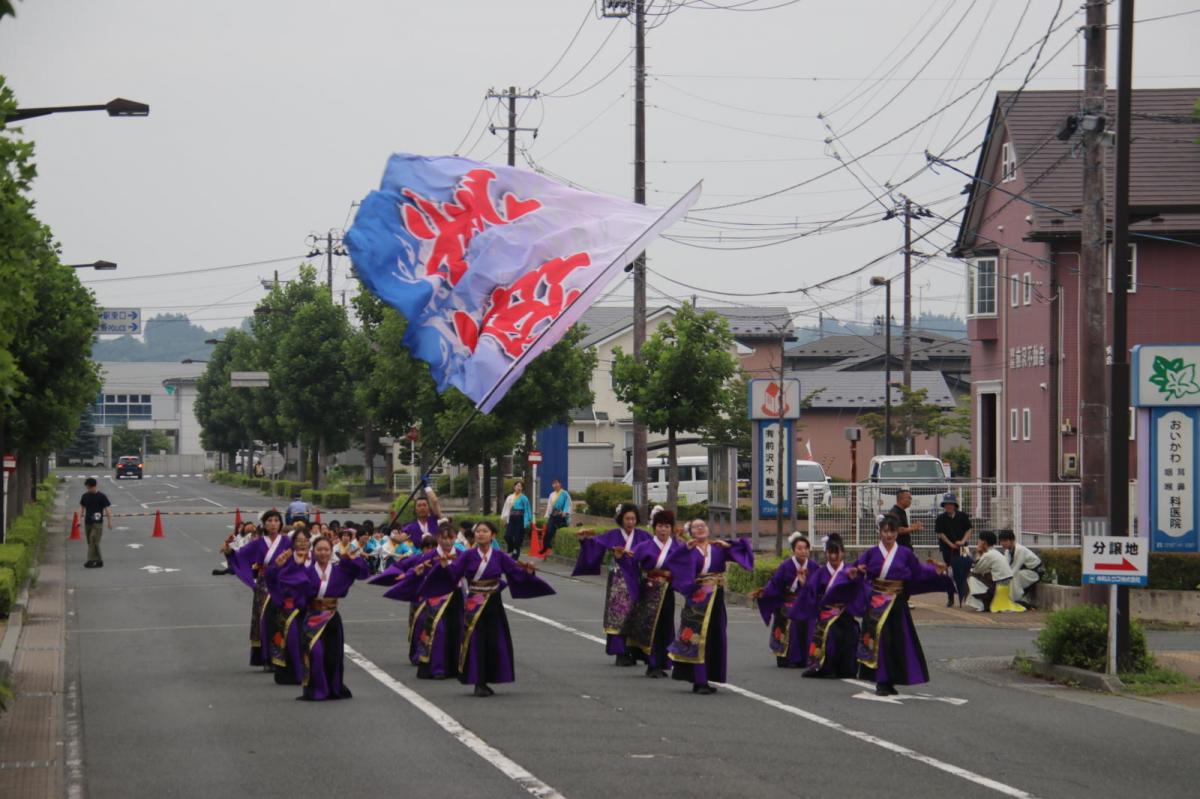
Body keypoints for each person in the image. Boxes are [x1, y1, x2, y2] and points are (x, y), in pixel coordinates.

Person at [418, 521, 555, 696]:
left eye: (485, 531)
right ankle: (478, 681)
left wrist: (528, 572)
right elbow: (453, 575)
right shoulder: (467, 556)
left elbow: (515, 573)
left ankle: (489, 678)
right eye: (478, 531)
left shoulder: (499, 556)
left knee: (494, 641)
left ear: (493, 535)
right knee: (475, 642)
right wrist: (445, 566)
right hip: (474, 603)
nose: (480, 534)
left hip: (493, 604)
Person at [850, 513, 953, 696]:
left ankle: (892, 680)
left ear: (897, 533)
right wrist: (856, 571)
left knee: (897, 642)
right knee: (880, 641)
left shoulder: (905, 553)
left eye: (892, 532)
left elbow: (918, 571)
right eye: (885, 531)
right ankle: (881, 681)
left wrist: (935, 570)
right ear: (879, 532)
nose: (888, 536)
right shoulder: (871, 553)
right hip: (876, 604)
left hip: (896, 604)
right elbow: (854, 570)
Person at [274, 535, 369, 700]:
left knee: (333, 655)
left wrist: (350, 559)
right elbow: (289, 582)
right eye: (319, 549)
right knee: (315, 654)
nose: (323, 553)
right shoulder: (307, 571)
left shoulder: (339, 570)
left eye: (326, 550)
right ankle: (316, 689)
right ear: (314, 551)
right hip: (312, 618)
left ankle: (333, 688)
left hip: (332, 617)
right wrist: (292, 565)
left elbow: (361, 573)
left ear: (331, 552)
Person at [667, 519, 754, 694]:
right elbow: (672, 563)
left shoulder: (717, 548)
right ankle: (699, 680)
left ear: (707, 529)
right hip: (697, 598)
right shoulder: (689, 550)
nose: (700, 529)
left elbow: (745, 552)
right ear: (690, 532)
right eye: (695, 527)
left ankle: (706, 677)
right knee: (697, 638)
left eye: (702, 526)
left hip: (716, 597)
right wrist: (685, 549)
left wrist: (728, 546)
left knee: (714, 635)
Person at [572, 503, 653, 666]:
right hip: (619, 579)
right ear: (621, 520)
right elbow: (596, 545)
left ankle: (634, 651)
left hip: (637, 579)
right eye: (627, 518)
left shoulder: (643, 536)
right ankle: (620, 652)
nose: (630, 522)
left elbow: (655, 552)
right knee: (619, 614)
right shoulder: (614, 535)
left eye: (633, 519)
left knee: (637, 615)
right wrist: (584, 540)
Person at [385, 522, 464, 679]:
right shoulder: (429, 555)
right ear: (438, 538)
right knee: (438, 631)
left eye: (450, 538)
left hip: (455, 598)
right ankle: (437, 668)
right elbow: (415, 570)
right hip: (435, 598)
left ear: (455, 538)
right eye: (443, 538)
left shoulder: (462, 555)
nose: (447, 541)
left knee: (457, 630)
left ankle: (456, 668)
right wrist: (412, 574)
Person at [224, 509, 291, 669]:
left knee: (282, 619)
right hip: (264, 584)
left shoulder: (288, 541)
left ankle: (282, 655)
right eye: (269, 521)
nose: (273, 524)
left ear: (280, 523)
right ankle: (267, 657)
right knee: (265, 618)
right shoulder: (259, 542)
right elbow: (240, 555)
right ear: (264, 524)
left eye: (276, 520)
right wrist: (229, 550)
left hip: (283, 584)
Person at [790, 533, 864, 679]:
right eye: (830, 553)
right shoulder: (820, 573)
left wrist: (856, 580)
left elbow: (860, 590)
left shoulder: (850, 570)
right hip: (826, 615)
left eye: (836, 553)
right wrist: (804, 583)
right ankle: (825, 667)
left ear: (842, 553)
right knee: (831, 634)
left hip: (845, 613)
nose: (833, 556)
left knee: (852, 632)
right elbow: (811, 592)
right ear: (826, 553)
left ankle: (847, 669)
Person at [626, 508, 681, 678]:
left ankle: (664, 662)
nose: (663, 529)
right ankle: (652, 664)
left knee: (666, 625)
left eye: (666, 526)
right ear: (654, 528)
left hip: (668, 590)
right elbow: (630, 563)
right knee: (651, 627)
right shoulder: (645, 546)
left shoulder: (679, 546)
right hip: (649, 589)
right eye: (660, 526)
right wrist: (621, 556)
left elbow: (689, 564)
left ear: (671, 528)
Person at [751, 532, 819, 668]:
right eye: (799, 548)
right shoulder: (786, 566)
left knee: (811, 618)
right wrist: (764, 592)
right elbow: (775, 583)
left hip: (806, 601)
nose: (803, 551)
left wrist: (805, 584)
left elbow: (818, 587)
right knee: (790, 614)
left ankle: (808, 657)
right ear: (793, 550)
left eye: (805, 548)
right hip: (788, 601)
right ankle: (788, 658)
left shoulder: (813, 566)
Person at [265, 527, 314, 685]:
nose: (302, 544)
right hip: (290, 607)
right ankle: (294, 675)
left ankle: (312, 673)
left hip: (311, 608)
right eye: (299, 541)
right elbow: (274, 579)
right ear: (293, 543)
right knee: (291, 640)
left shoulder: (314, 559)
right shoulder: (286, 558)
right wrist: (277, 567)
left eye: (305, 541)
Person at [965, 531, 1026, 613]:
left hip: (998, 587)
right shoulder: (995, 552)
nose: (977, 543)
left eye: (979, 541)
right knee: (977, 575)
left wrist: (979, 554)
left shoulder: (988, 555)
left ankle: (984, 603)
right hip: (1005, 586)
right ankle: (985, 602)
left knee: (970, 576)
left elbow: (977, 569)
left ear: (984, 542)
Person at [934, 493, 973, 607]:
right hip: (947, 548)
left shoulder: (963, 516)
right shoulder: (940, 518)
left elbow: (969, 530)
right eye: (946, 504)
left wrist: (962, 541)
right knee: (949, 572)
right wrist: (951, 544)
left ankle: (966, 596)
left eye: (951, 504)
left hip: (963, 547)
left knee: (965, 570)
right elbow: (941, 534)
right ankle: (950, 598)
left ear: (955, 505)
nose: (949, 506)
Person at [999, 530, 1043, 608]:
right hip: (1025, 572)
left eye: (1005, 541)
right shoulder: (1007, 551)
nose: (1002, 543)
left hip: (1035, 573)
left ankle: (1016, 600)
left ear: (1012, 540)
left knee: (1015, 576)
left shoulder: (1020, 550)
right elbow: (1006, 566)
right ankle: (1019, 600)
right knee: (1011, 577)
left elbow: (1015, 568)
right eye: (1001, 541)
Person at [78, 477, 113, 569]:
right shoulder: (85, 496)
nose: (89, 489)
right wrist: (79, 520)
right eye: (87, 488)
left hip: (98, 523)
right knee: (90, 542)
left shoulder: (102, 496)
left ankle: (90, 560)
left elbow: (107, 510)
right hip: (88, 522)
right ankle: (99, 561)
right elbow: (81, 509)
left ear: (95, 486)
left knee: (93, 539)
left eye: (90, 488)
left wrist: (109, 522)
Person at [500, 480, 532, 558]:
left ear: (522, 488)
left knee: (518, 539)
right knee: (507, 536)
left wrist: (527, 521)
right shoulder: (510, 497)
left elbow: (527, 510)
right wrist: (504, 519)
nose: (519, 487)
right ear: (514, 487)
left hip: (520, 519)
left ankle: (515, 555)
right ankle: (512, 548)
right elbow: (506, 508)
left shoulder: (524, 498)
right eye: (517, 486)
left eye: (520, 486)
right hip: (511, 519)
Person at [542, 478, 571, 555]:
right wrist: (547, 515)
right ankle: (546, 547)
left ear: (560, 484)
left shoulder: (565, 494)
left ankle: (561, 550)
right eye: (553, 484)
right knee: (549, 532)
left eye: (556, 483)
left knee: (561, 532)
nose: (555, 485)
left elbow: (568, 504)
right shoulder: (551, 494)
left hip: (561, 516)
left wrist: (565, 512)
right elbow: (549, 506)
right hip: (553, 515)